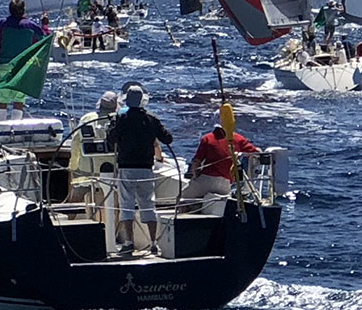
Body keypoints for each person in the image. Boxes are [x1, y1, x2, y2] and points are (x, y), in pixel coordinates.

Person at [107, 83, 173, 254]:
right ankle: (153, 243)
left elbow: (111, 139)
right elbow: (168, 139)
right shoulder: (151, 119)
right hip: (146, 168)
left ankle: (128, 242)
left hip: (126, 167)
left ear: (127, 100)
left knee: (126, 204)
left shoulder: (121, 118)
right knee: (148, 204)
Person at [0, 0, 46, 117]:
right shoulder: (31, 27)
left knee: (2, 100)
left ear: (9, 10)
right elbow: (45, 39)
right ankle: (16, 126)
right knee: (19, 100)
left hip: (5, 66)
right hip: (22, 67)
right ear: (23, 10)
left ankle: (2, 128)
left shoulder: (2, 25)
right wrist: (44, 25)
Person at [181, 119, 258, 207]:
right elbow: (255, 153)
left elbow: (196, 161)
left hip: (207, 179)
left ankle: (184, 215)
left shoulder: (207, 138)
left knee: (183, 198)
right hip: (226, 183)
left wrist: (194, 175)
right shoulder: (238, 138)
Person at [66, 90, 119, 200]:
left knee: (77, 196)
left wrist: (73, 167)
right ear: (115, 106)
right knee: (116, 197)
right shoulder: (120, 119)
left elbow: (75, 143)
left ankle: (71, 215)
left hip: (87, 170)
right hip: (113, 171)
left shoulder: (87, 118)